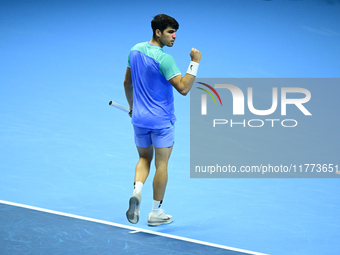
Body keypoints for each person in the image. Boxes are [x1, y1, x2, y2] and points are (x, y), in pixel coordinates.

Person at [123, 14, 201, 226]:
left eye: (175, 32)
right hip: (161, 122)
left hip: (139, 119)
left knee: (144, 159)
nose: (174, 36)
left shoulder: (135, 50)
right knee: (162, 164)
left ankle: (137, 191)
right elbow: (184, 88)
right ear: (158, 32)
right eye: (170, 32)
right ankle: (155, 212)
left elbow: (127, 82)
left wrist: (132, 107)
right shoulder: (165, 59)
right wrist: (194, 63)